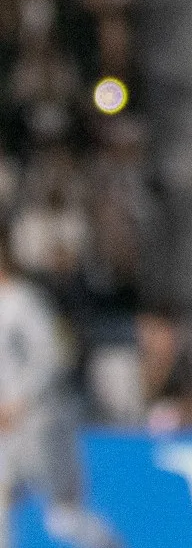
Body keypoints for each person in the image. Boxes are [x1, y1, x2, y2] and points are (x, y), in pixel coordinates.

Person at [0, 226, 120, 548]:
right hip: (8, 429)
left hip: (40, 422)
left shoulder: (24, 303)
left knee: (62, 517)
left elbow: (54, 355)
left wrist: (20, 401)